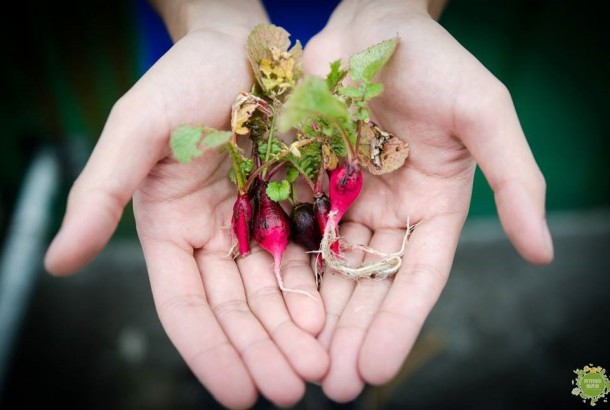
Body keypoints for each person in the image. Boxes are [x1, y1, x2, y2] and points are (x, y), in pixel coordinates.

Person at [43, 0, 554, 408]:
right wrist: (207, 16)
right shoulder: (251, 148)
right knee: (243, 352)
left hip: (351, 53)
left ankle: (336, 390)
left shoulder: (342, 132)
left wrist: (398, 7)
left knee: (338, 356)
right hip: (196, 41)